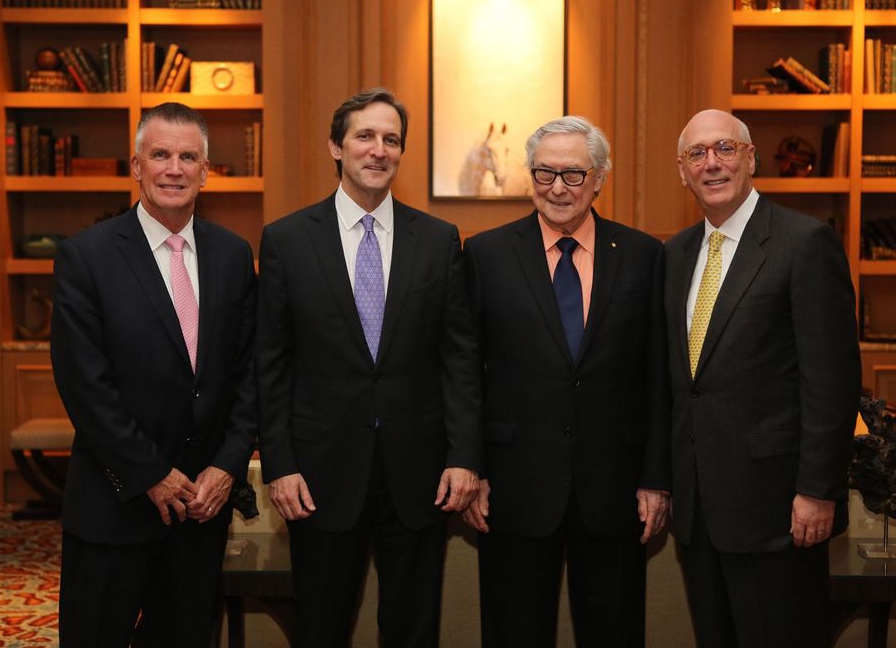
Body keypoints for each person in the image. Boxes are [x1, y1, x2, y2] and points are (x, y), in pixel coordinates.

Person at [256, 87, 482, 647]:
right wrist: (280, 464)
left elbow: (458, 359)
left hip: (419, 476)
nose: (379, 150)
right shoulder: (286, 240)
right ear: (336, 147)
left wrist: (463, 457)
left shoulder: (438, 241)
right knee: (321, 629)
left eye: (391, 140)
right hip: (318, 476)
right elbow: (271, 363)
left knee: (413, 631)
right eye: (365, 136)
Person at [50, 102, 258, 647]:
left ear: (205, 172)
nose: (174, 169)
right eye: (160, 154)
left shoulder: (234, 256)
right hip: (114, 506)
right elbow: (84, 385)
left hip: (200, 513)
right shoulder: (86, 256)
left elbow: (248, 375)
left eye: (188, 157)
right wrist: (150, 474)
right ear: (136, 166)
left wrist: (227, 466)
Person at [461, 115, 671, 647]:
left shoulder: (645, 256)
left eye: (574, 174)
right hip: (512, 488)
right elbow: (466, 373)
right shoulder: (485, 255)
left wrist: (656, 477)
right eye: (544, 173)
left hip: (616, 490)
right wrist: (472, 468)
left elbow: (657, 376)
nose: (558, 187)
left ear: (599, 178)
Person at [666, 109, 861, 647]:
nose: (711, 163)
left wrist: (817, 490)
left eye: (725, 148)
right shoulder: (675, 255)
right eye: (696, 154)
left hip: (779, 511)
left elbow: (832, 381)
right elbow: (682, 385)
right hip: (700, 511)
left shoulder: (805, 242)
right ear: (682, 171)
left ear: (751, 159)